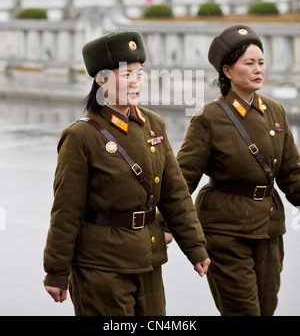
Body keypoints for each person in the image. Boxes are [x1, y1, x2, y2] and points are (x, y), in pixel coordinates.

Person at [43, 30, 210, 316]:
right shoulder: (81, 136)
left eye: (139, 73)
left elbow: (175, 194)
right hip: (100, 266)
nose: (135, 81)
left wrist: (195, 247)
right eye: (126, 74)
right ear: (101, 79)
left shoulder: (153, 124)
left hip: (148, 258)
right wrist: (57, 271)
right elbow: (66, 210)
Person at [176, 24, 300, 316]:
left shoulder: (275, 112)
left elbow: (292, 173)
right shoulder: (209, 117)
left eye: (261, 62)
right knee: (243, 312)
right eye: (249, 63)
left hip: (269, 229)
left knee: (266, 309)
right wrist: (170, 227)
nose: (258, 69)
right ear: (228, 71)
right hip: (225, 231)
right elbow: (182, 179)